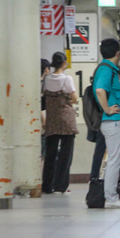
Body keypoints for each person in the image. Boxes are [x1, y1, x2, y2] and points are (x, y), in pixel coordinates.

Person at [93, 38, 120, 208]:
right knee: (115, 160)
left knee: (113, 160)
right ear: (118, 53)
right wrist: (108, 109)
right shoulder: (107, 69)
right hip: (113, 121)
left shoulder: (107, 69)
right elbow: (100, 90)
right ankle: (111, 198)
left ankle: (110, 195)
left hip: (113, 122)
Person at [42, 52, 78, 194]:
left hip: (52, 120)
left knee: (50, 154)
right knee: (65, 153)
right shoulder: (66, 79)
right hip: (66, 120)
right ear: (64, 63)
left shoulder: (47, 79)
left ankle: (47, 185)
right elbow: (74, 98)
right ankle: (60, 186)